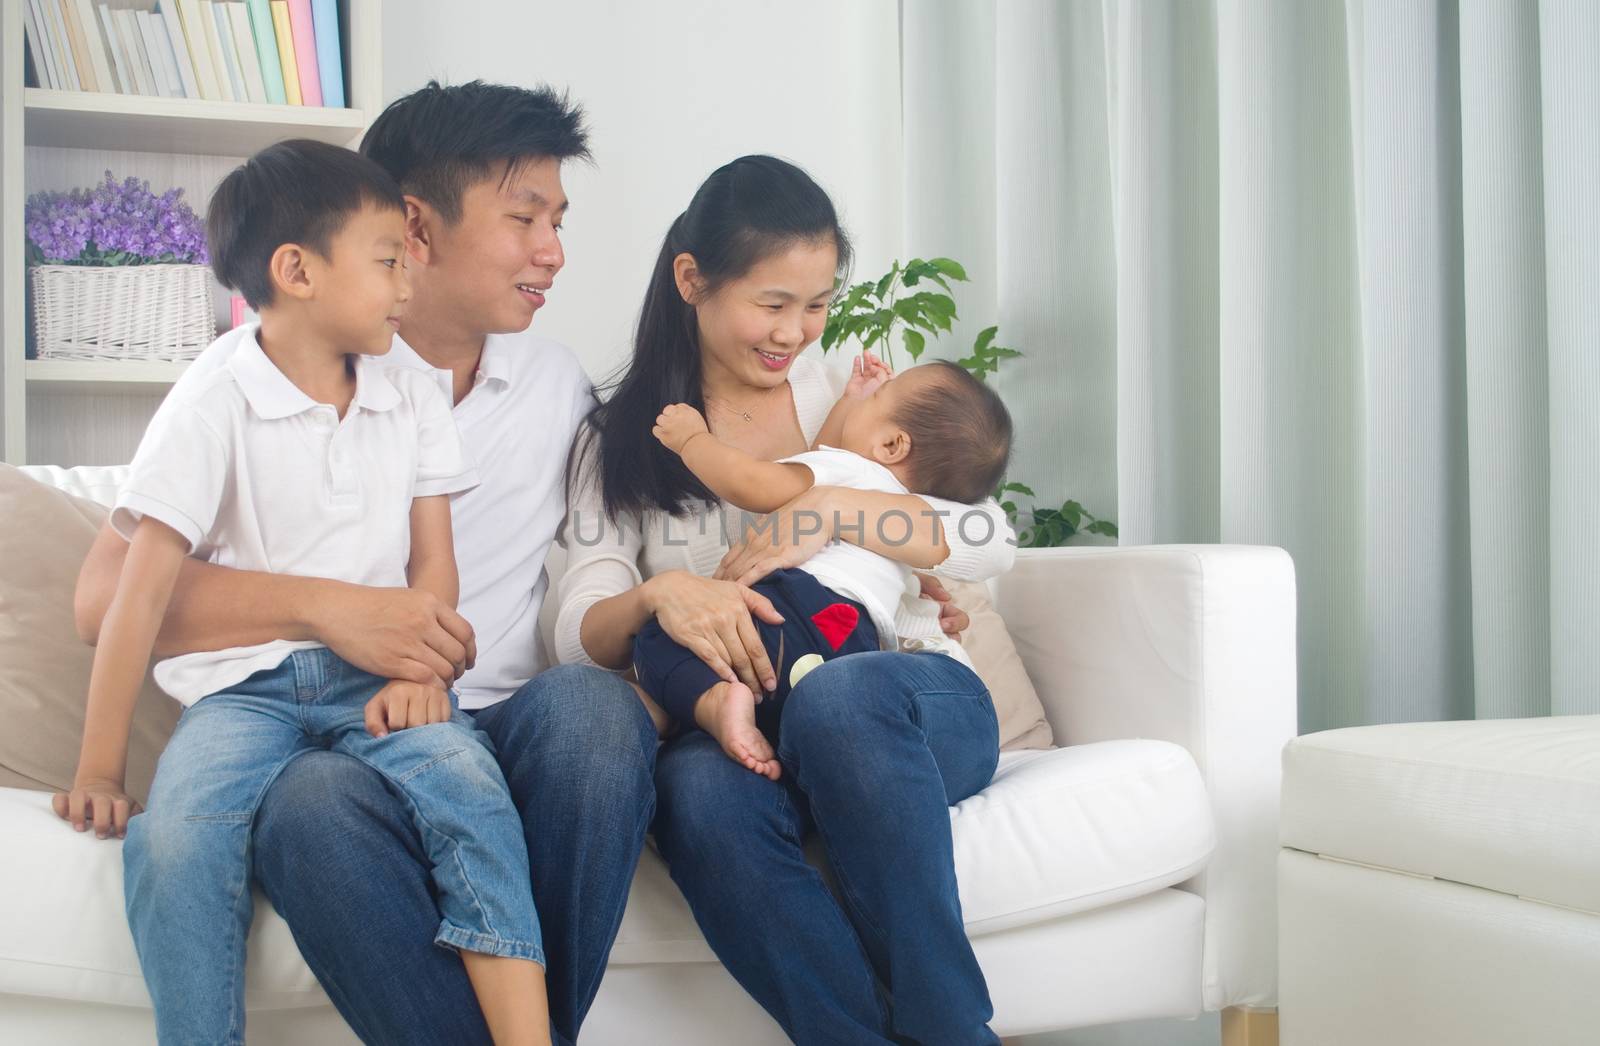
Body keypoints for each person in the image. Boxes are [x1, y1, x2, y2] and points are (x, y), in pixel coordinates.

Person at [72, 83, 655, 1046]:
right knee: (305, 806)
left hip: (489, 716)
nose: (554, 250)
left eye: (558, 220)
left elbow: (634, 528)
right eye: (525, 219)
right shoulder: (239, 386)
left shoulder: (554, 386)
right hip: (317, 721)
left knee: (593, 715)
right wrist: (326, 610)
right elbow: (105, 596)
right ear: (413, 231)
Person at [558, 154, 1011, 1044]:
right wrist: (665, 593)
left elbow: (996, 538)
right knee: (696, 796)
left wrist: (841, 510)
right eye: (773, 304)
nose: (797, 331)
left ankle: (951, 1029)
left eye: (816, 303)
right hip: (761, 722)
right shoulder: (624, 440)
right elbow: (575, 634)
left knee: (845, 696)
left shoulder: (851, 398)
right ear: (692, 279)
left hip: (911, 704)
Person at [640, 354, 1013, 779]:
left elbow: (756, 484)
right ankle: (753, 718)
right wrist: (851, 401)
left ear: (891, 445)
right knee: (794, 693)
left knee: (661, 635)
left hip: (795, 604)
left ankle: (717, 703)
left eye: (880, 396)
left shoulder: (847, 472)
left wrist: (692, 440)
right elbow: (822, 453)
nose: (867, 397)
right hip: (853, 639)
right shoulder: (901, 506)